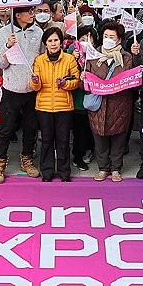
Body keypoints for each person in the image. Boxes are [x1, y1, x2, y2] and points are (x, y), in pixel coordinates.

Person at [0, 6, 44, 182]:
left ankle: (27, 160)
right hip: (11, 89)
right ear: (18, 15)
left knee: (30, 128)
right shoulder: (4, 32)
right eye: (29, 12)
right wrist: (8, 47)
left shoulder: (38, 31)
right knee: (6, 128)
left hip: (33, 89)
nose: (32, 15)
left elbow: (43, 57)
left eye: (32, 12)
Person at [84, 22, 142, 181]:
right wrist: (84, 78)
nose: (108, 39)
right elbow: (87, 77)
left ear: (119, 40)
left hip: (120, 104)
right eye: (105, 36)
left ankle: (116, 168)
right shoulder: (93, 56)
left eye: (112, 37)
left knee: (119, 138)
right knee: (99, 137)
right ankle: (103, 168)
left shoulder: (127, 57)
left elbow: (136, 80)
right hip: (99, 104)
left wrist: (137, 61)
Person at [30, 27, 80, 182]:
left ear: (61, 42)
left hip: (64, 107)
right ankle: (47, 172)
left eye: (56, 40)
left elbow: (76, 81)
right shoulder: (39, 60)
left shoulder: (69, 59)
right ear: (45, 43)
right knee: (46, 141)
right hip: (43, 107)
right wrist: (35, 81)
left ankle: (65, 172)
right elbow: (35, 86)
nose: (53, 44)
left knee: (63, 141)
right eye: (50, 41)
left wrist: (65, 83)